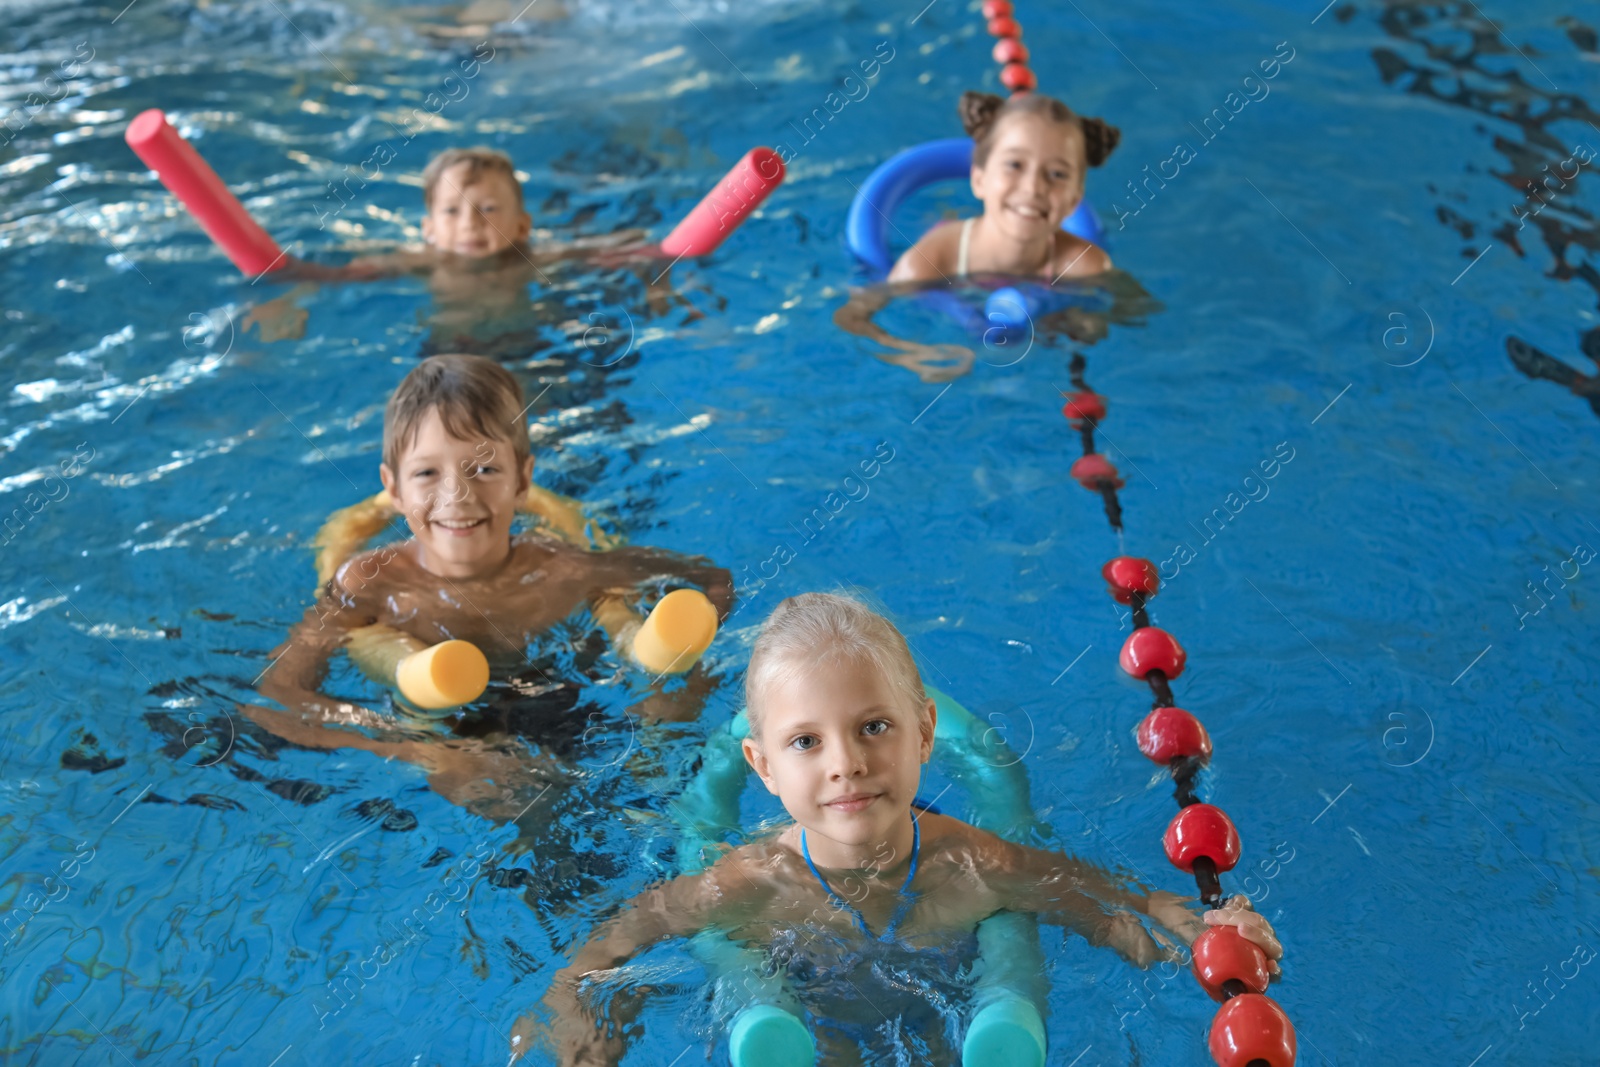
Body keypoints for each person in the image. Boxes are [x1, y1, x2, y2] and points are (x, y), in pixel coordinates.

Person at [514, 593, 1282, 1065]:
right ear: (763, 765)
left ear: (923, 734)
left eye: (873, 726)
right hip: (814, 1015)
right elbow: (633, 927)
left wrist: (1201, 922)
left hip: (938, 1008)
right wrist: (568, 1000)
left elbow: (1103, 900)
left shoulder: (970, 863)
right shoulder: (752, 881)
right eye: (807, 741)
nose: (847, 763)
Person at [243, 355, 733, 812]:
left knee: (654, 770)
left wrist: (674, 689)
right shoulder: (371, 582)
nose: (456, 495)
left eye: (483, 469)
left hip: (558, 689)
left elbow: (712, 578)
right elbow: (280, 695)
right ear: (392, 490)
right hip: (428, 715)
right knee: (489, 794)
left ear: (522, 481)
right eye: (428, 473)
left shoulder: (560, 567)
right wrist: (418, 750)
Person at [242, 147, 674, 354]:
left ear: (523, 226)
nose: (470, 224)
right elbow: (329, 275)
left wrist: (658, 284)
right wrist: (288, 299)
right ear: (428, 230)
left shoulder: (536, 256)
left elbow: (639, 245)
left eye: (488, 210)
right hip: (447, 348)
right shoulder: (422, 261)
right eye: (452, 211)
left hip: (526, 342)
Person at [834, 91, 1129, 382]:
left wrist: (1081, 324)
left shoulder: (1084, 265)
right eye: (1014, 165)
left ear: (1074, 201)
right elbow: (851, 318)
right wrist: (909, 355)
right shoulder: (930, 260)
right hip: (953, 254)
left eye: (1057, 174)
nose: (1033, 188)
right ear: (978, 179)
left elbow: (1128, 312)